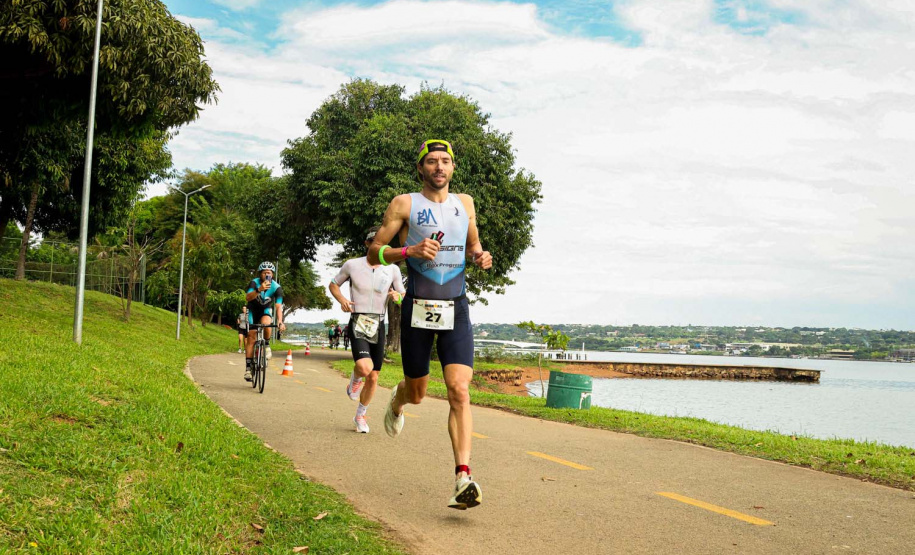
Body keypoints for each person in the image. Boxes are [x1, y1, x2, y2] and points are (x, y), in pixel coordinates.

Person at [368, 139, 492, 510]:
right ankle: (398, 400)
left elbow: (473, 245)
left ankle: (462, 476)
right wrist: (408, 251)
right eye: (432, 161)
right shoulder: (404, 204)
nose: (439, 167)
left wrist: (480, 256)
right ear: (421, 168)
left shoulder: (464, 204)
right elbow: (374, 251)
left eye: (446, 161)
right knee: (419, 392)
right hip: (418, 307)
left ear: (453, 168)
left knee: (459, 389)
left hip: (456, 307)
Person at [328, 226, 405, 433]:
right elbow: (333, 284)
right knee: (364, 367)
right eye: (375, 244)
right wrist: (343, 299)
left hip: (379, 323)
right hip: (358, 321)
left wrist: (398, 298)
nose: (380, 249)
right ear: (367, 244)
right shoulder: (352, 265)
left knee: (374, 376)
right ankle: (355, 379)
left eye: (384, 245)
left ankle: (360, 416)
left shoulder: (392, 269)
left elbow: (402, 294)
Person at [244, 261, 286, 382]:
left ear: (272, 274)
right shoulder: (254, 282)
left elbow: (278, 306)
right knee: (251, 336)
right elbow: (247, 297)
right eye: (264, 272)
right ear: (260, 274)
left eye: (269, 272)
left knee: (267, 323)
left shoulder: (277, 287)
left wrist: (280, 321)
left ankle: (266, 344)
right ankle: (248, 369)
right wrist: (258, 290)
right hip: (252, 310)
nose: (267, 274)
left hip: (265, 310)